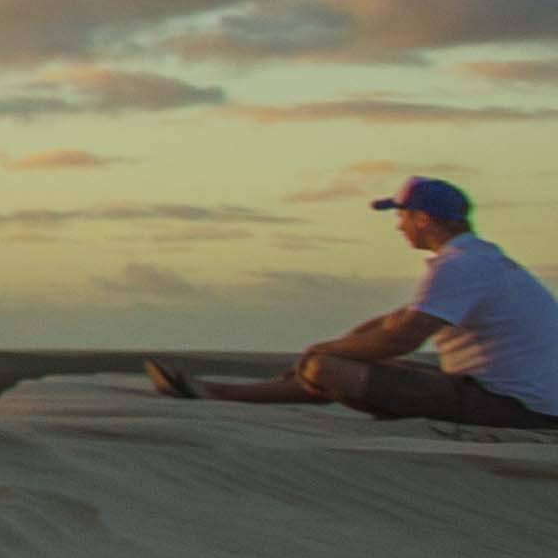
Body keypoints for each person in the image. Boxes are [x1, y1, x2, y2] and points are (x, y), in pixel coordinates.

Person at [149, 180, 558, 432]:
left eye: (401, 216)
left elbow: (400, 340)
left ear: (423, 218)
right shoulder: (481, 260)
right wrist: (339, 344)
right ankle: (215, 392)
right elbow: (396, 321)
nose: (398, 226)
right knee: (333, 362)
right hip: (510, 396)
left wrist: (325, 351)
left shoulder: (461, 265)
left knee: (328, 368)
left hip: (515, 408)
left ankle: (216, 393)